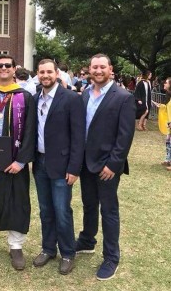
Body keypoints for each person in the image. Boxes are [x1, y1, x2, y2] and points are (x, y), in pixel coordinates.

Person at [75, 53, 136, 281]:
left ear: (110, 69)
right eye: (94, 67)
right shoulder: (84, 95)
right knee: (89, 204)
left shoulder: (123, 97)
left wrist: (114, 164)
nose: (98, 71)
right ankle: (87, 240)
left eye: (102, 67)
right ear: (89, 70)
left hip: (107, 166)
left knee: (108, 211)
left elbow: (125, 135)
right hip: (86, 163)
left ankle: (111, 257)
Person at [0, 54, 36, 271]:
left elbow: (31, 130)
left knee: (17, 200)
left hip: (15, 162)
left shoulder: (25, 96)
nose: (3, 68)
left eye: (7, 66)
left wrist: (21, 161)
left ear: (14, 69)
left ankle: (16, 246)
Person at [32, 59, 85, 275]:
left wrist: (74, 168)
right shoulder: (35, 99)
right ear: (38, 74)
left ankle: (67, 253)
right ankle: (48, 248)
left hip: (63, 165)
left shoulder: (71, 99)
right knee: (46, 210)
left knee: (62, 210)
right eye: (42, 72)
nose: (45, 75)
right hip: (40, 163)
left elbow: (78, 136)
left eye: (49, 72)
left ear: (57, 74)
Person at [152, 78, 171, 169]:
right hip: (169, 123)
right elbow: (167, 107)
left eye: (166, 83)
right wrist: (160, 106)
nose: (164, 84)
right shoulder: (168, 95)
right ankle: (168, 160)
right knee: (168, 141)